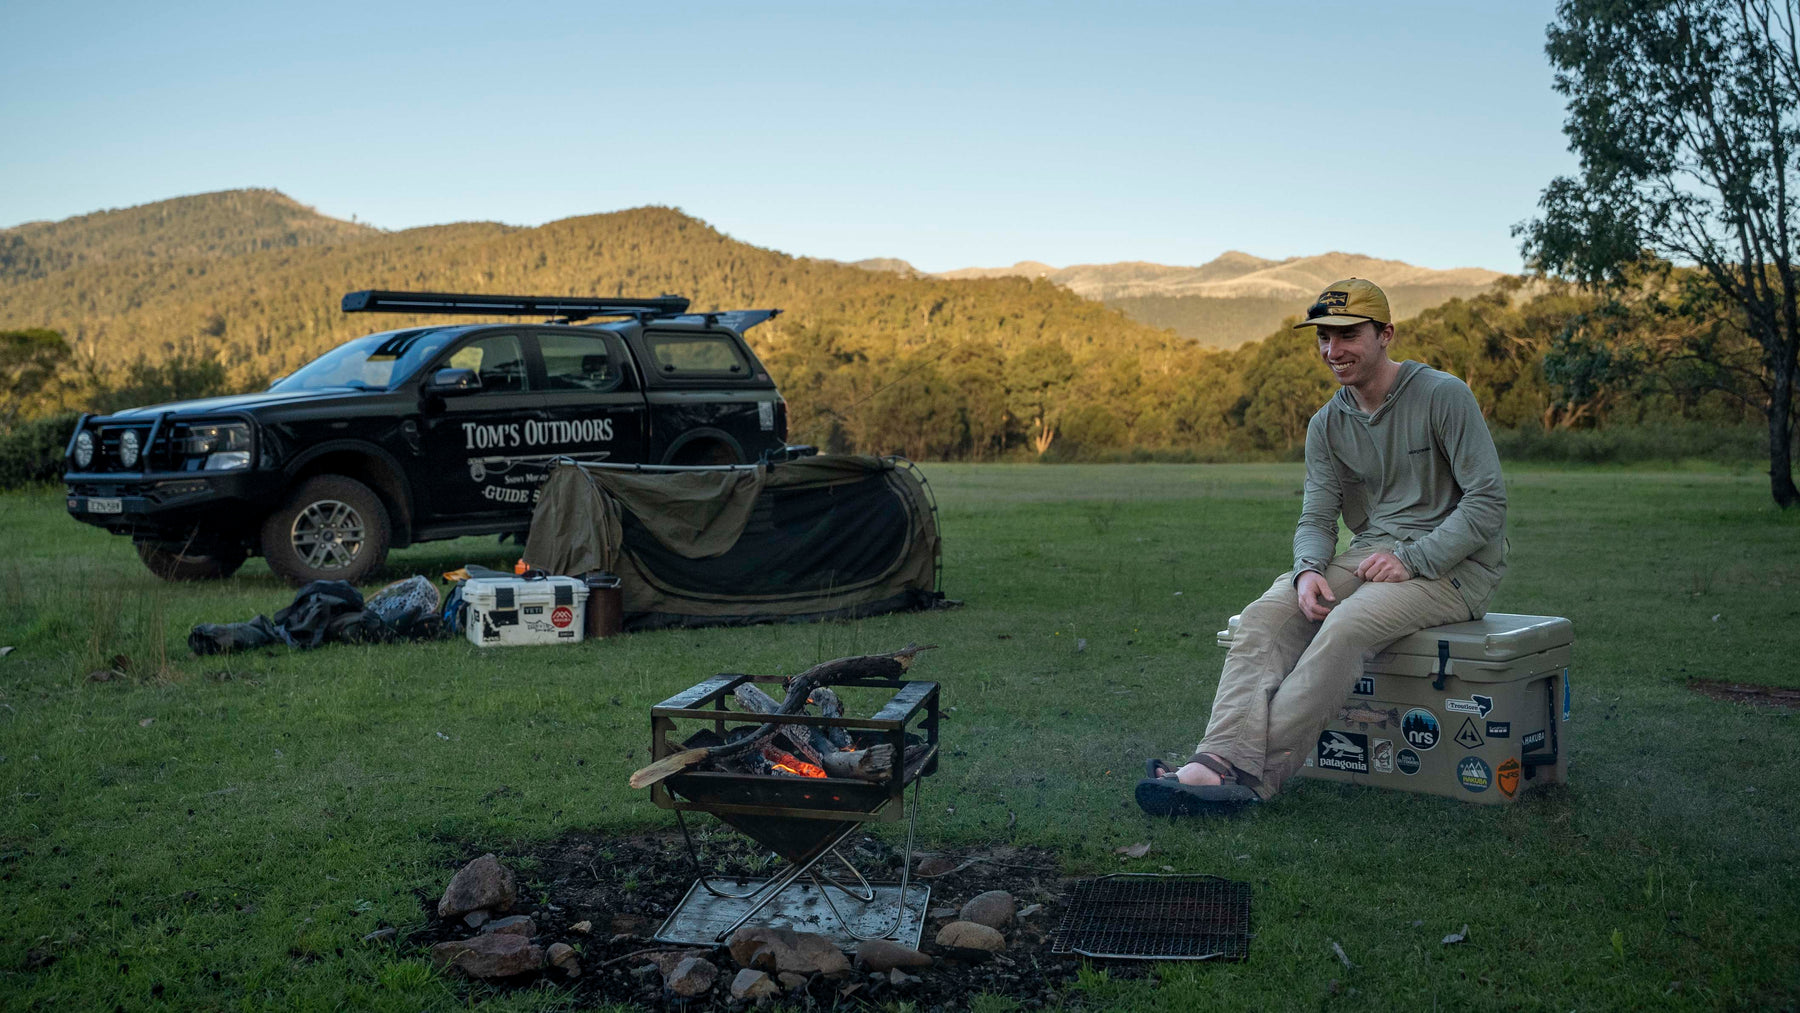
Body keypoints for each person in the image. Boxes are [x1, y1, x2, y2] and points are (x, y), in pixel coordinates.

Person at [1137, 278, 1508, 815]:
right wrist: (1308, 569)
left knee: (1347, 626)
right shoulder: (1327, 424)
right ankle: (1218, 761)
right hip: (1372, 552)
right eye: (1323, 338)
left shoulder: (1442, 395)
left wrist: (1413, 559)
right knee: (1267, 615)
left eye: (1347, 335)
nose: (1333, 351)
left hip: (1456, 566)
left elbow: (1488, 502)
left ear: (1386, 334)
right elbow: (1316, 515)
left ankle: (1246, 777)